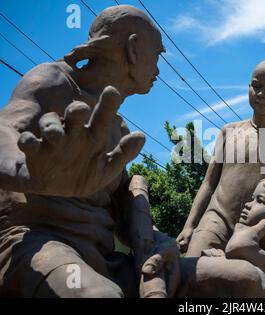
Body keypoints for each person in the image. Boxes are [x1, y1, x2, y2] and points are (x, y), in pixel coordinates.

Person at [0, 5, 179, 297]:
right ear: (134, 48)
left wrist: (158, 241)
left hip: (103, 258)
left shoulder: (115, 127)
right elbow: (4, 129)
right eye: (156, 54)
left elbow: (123, 216)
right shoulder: (55, 81)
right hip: (39, 244)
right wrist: (24, 172)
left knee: (236, 279)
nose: (158, 69)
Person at [176, 59, 265, 257]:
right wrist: (190, 226)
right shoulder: (228, 132)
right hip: (216, 218)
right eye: (256, 86)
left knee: (246, 283)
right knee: (192, 270)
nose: (261, 94)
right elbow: (209, 184)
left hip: (256, 231)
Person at [175, 179, 265, 298]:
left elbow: (238, 246)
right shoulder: (251, 249)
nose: (248, 204)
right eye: (252, 198)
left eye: (260, 200)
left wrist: (264, 225)